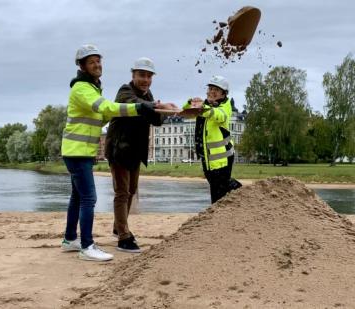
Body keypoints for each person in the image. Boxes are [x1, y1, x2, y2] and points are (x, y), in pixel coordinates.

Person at [60, 44, 173, 261]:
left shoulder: (94, 88)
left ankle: (69, 239)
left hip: (91, 151)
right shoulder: (89, 89)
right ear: (82, 66)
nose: (97, 65)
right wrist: (145, 107)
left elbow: (106, 115)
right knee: (90, 198)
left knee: (79, 197)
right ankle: (88, 245)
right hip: (105, 151)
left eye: (99, 61)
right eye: (92, 62)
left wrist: (168, 108)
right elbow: (110, 108)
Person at [105, 57, 169, 253]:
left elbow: (156, 121)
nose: (145, 80)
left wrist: (166, 110)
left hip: (135, 151)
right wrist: (156, 105)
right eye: (142, 75)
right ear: (133, 75)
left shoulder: (149, 96)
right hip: (119, 149)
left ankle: (118, 227)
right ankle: (124, 237)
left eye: (149, 76)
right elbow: (136, 105)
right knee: (122, 193)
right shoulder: (125, 91)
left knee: (132, 191)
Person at [183, 75, 242, 204]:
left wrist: (204, 109)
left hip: (222, 158)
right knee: (221, 187)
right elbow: (186, 112)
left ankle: (240, 197)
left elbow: (219, 116)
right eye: (210, 88)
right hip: (208, 158)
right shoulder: (205, 105)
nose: (211, 92)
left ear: (223, 93)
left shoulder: (225, 106)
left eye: (216, 89)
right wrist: (191, 103)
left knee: (217, 196)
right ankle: (243, 194)